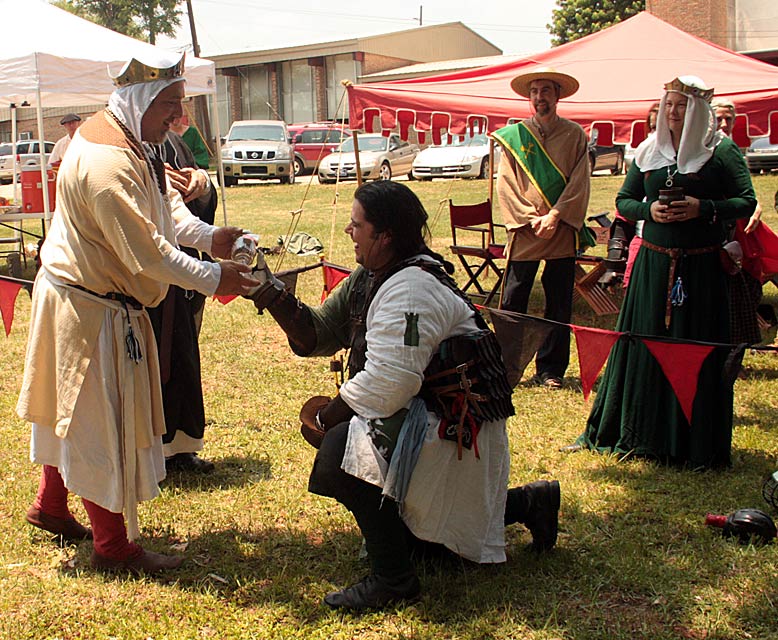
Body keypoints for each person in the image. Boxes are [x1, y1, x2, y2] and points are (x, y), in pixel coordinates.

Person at [248, 180, 561, 610]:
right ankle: (530, 502)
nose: (349, 231)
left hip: (456, 429)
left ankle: (393, 581)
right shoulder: (371, 277)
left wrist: (327, 418)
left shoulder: (411, 287)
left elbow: (389, 383)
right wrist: (268, 291)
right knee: (421, 524)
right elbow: (315, 335)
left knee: (340, 450)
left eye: (357, 224)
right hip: (425, 416)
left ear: (386, 236)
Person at [16, 52, 255, 574]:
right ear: (141, 100)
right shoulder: (107, 162)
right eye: (170, 104)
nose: (178, 116)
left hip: (92, 299)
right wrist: (214, 277)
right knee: (99, 425)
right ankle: (112, 547)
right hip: (87, 305)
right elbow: (148, 253)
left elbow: (164, 212)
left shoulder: (135, 142)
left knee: (76, 414)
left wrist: (210, 237)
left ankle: (51, 506)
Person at [575, 75, 756, 467]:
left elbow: (746, 200)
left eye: (682, 105)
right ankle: (638, 434)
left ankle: (691, 444)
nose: (673, 112)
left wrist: (703, 208)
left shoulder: (720, 150)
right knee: (644, 346)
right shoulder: (649, 149)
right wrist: (649, 210)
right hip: (653, 267)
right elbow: (625, 199)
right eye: (669, 104)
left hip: (701, 270)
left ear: (698, 110)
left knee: (694, 350)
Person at [492, 67, 591, 389]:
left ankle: (551, 370)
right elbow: (506, 183)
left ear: (557, 95)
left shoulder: (575, 135)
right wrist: (529, 217)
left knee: (559, 302)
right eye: (534, 91)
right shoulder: (514, 136)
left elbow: (580, 181)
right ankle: (505, 368)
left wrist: (556, 215)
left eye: (545, 90)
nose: (539, 97)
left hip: (560, 229)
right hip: (525, 230)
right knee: (513, 301)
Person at [146, 127, 219, 473]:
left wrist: (202, 183)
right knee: (149, 367)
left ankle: (182, 447)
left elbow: (180, 212)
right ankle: (150, 453)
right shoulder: (115, 148)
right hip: (142, 282)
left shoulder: (173, 141)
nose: (174, 115)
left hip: (180, 275)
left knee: (182, 360)